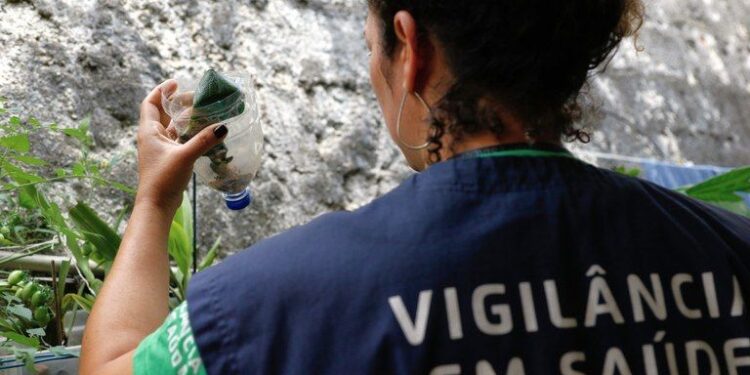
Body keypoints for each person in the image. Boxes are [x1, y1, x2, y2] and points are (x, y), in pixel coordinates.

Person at [80, 0, 750, 374]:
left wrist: (153, 203)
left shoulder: (264, 310)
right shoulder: (730, 251)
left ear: (411, 48)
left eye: (375, 44)